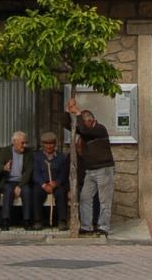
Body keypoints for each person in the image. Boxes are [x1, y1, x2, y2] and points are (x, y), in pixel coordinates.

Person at [65, 98, 114, 236]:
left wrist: (78, 113)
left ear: (92, 121)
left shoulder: (100, 129)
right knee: (85, 197)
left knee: (104, 200)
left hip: (103, 169)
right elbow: (70, 126)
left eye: (86, 122)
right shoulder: (85, 130)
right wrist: (68, 111)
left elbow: (84, 131)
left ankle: (103, 226)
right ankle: (87, 226)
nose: (83, 126)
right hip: (90, 170)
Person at [31, 131, 70, 230]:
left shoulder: (61, 157)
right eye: (46, 143)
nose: (49, 146)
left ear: (55, 144)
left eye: (51, 143)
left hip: (55, 184)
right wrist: (44, 185)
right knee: (36, 192)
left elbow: (63, 173)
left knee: (61, 193)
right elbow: (36, 174)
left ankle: (62, 221)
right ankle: (38, 221)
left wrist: (56, 183)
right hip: (42, 185)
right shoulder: (37, 157)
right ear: (43, 144)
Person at [0, 130, 34, 230]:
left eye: (25, 143)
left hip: (22, 181)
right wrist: (4, 168)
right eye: (22, 143)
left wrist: (20, 186)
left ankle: (27, 221)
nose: (24, 145)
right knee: (8, 191)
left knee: (27, 191)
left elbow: (29, 171)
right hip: (8, 181)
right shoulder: (5, 151)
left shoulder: (29, 153)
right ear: (14, 142)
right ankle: (5, 221)